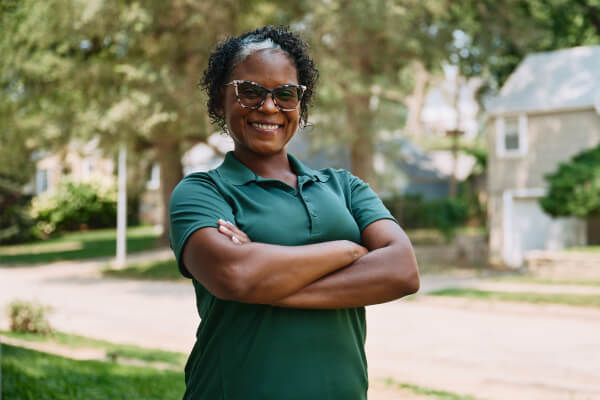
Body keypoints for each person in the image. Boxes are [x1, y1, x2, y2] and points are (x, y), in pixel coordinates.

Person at [169, 25, 419, 400]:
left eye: (285, 94)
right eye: (250, 91)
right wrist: (349, 251)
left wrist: (267, 279)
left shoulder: (344, 187)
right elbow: (235, 275)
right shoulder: (202, 192)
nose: (269, 107)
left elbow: (403, 270)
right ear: (221, 99)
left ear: (300, 104)